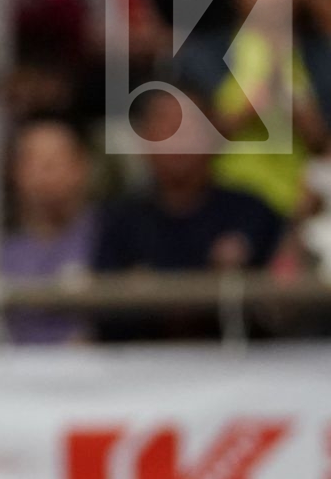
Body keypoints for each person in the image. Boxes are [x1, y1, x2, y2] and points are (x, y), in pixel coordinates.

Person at [94, 90, 287, 340]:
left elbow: (283, 306)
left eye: (189, 128)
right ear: (144, 139)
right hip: (141, 366)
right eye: (166, 127)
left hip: (240, 364)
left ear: (213, 137)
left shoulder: (253, 212)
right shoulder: (118, 220)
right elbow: (103, 310)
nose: (177, 140)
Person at [0, 117, 96, 344]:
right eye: (33, 161)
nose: (45, 171)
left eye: (56, 159)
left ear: (81, 166)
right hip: (13, 372)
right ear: (14, 171)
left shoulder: (111, 238)